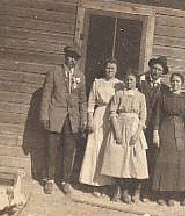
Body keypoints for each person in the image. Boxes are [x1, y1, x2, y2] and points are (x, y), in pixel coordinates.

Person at [40, 46, 87, 194]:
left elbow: (83, 100)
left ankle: (65, 181)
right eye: (69, 56)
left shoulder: (81, 76)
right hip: (55, 117)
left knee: (69, 150)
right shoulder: (54, 73)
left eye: (74, 57)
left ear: (77, 60)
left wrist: (83, 119)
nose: (71, 59)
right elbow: (46, 96)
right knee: (52, 149)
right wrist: (44, 116)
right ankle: (49, 180)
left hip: (73, 119)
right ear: (65, 56)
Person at [101, 72, 148, 204]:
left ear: (136, 82)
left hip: (134, 128)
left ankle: (127, 190)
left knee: (132, 160)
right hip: (120, 126)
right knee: (118, 159)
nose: (129, 82)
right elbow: (113, 112)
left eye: (131, 80)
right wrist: (117, 131)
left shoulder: (141, 96)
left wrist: (137, 133)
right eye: (127, 79)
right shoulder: (118, 94)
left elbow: (143, 117)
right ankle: (118, 190)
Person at [79, 58, 124, 196]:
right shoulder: (97, 82)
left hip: (113, 118)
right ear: (104, 69)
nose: (110, 71)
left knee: (109, 149)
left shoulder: (120, 84)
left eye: (113, 68)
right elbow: (91, 103)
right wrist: (90, 120)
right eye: (108, 68)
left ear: (116, 70)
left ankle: (107, 184)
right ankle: (94, 183)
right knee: (96, 148)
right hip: (99, 115)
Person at [151, 72, 185, 207]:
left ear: (182, 84)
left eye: (178, 82)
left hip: (180, 132)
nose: (175, 84)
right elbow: (157, 115)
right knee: (163, 162)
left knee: (176, 163)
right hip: (166, 130)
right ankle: (161, 194)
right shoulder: (164, 97)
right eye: (173, 81)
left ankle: (171, 195)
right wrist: (156, 132)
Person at [138, 56, 169, 201]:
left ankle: (146, 190)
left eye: (159, 69)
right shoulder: (142, 83)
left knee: (152, 158)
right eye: (154, 68)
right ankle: (134, 188)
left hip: (156, 128)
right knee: (138, 156)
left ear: (162, 72)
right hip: (141, 125)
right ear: (150, 69)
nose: (155, 71)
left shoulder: (165, 89)